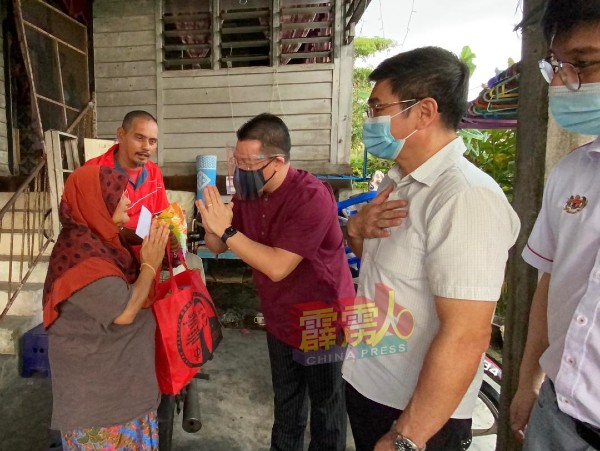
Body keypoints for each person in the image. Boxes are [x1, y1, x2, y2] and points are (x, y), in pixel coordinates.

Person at [340, 47, 520, 451]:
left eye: (376, 109)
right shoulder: (397, 184)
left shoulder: (465, 198)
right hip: (372, 383)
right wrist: (355, 231)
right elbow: (385, 274)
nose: (369, 121)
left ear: (423, 113)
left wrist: (408, 437)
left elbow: (465, 335)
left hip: (417, 416)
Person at [196, 113, 354, 451]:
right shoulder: (248, 194)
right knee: (287, 405)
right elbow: (219, 245)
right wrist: (212, 223)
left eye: (247, 163)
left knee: (326, 410)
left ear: (277, 161)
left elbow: (278, 266)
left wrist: (226, 229)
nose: (239, 171)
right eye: (236, 161)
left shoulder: (311, 196)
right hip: (280, 315)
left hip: (321, 315)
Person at [510, 1, 600, 449]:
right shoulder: (571, 173)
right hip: (557, 417)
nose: (566, 80)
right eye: (558, 65)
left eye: (582, 63)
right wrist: (529, 380)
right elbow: (551, 281)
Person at [43, 165, 169, 449]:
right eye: (118, 195)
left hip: (124, 395)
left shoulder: (100, 242)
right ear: (94, 203)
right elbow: (125, 312)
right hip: (102, 411)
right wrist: (150, 262)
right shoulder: (81, 261)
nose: (127, 200)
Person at [85, 110, 170, 248]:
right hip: (106, 258)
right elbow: (84, 226)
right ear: (121, 135)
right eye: (139, 138)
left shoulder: (154, 173)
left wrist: (169, 237)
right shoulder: (93, 171)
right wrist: (127, 235)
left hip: (147, 259)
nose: (146, 147)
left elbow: (161, 215)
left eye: (152, 141)